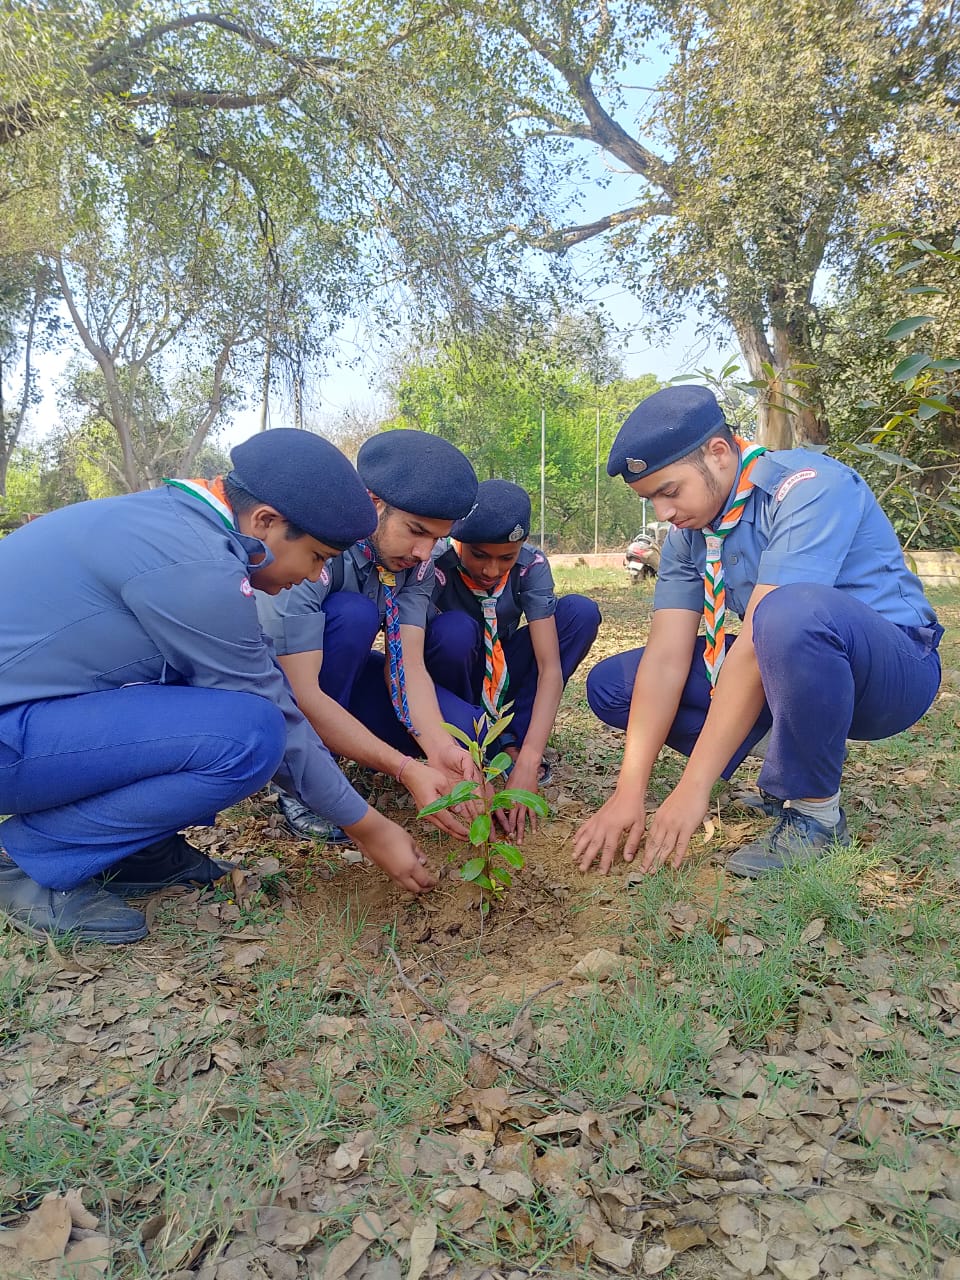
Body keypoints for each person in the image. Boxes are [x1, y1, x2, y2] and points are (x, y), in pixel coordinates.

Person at [0, 429, 438, 946]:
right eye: (318, 557)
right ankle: (24, 862)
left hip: (34, 714)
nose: (315, 574)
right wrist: (370, 827)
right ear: (266, 522)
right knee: (249, 735)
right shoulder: (196, 564)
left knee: (212, 707)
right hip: (14, 731)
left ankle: (137, 850)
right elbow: (274, 710)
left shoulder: (180, 524)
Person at [575, 385, 943, 879]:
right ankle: (792, 766)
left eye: (670, 491)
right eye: (650, 500)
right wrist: (629, 791)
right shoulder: (692, 532)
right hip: (790, 659)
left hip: (893, 671)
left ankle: (816, 814)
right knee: (615, 684)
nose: (662, 512)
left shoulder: (807, 487)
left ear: (719, 452)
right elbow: (666, 657)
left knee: (787, 612)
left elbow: (757, 640)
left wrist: (693, 788)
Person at [257, 429, 486, 842]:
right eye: (416, 530)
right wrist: (402, 767)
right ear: (372, 503)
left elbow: (410, 664)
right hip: (277, 688)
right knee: (354, 613)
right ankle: (296, 774)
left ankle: (351, 748)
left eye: (436, 538)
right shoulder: (316, 544)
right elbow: (299, 690)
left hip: (343, 680)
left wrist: (436, 748)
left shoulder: (415, 565)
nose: (423, 552)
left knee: (467, 732)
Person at [426, 479, 601, 839]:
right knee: (455, 631)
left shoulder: (530, 566)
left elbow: (549, 667)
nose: (491, 570)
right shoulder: (435, 562)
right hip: (454, 674)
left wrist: (529, 760)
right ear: (458, 540)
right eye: (479, 555)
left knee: (579, 613)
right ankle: (471, 745)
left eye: (505, 557)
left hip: (502, 669)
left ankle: (514, 741)